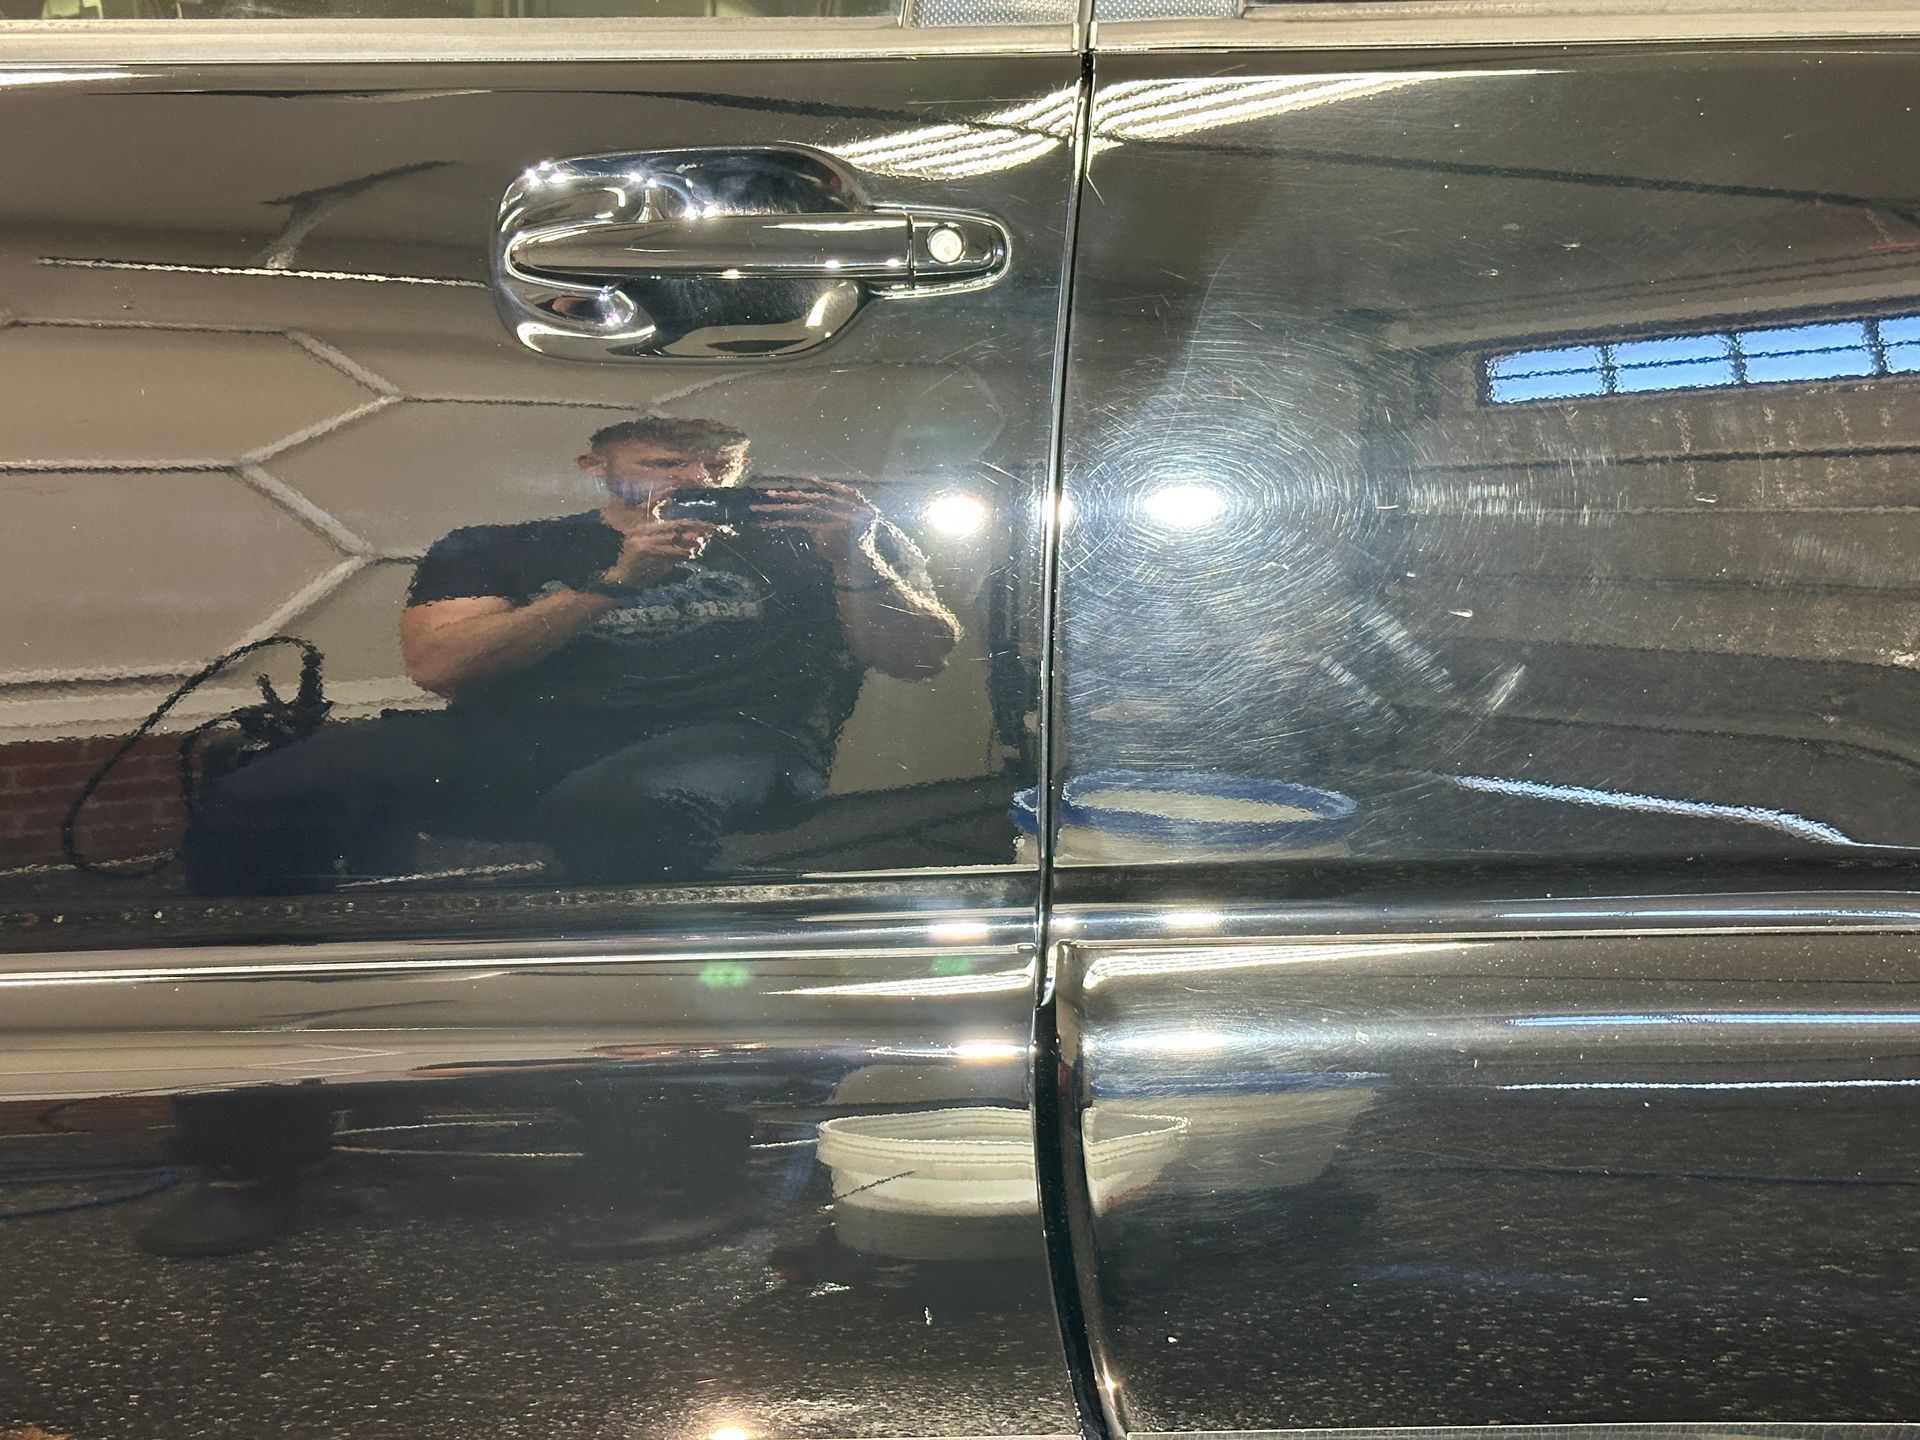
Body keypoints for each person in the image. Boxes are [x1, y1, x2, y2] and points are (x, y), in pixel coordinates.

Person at [182, 414, 960, 893]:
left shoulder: (818, 542)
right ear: (599, 467)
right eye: (664, 463)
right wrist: (617, 583)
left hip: (737, 737)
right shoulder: (500, 548)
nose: (693, 479)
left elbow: (923, 656)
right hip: (522, 738)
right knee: (260, 789)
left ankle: (661, 1043)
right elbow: (443, 668)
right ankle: (285, 1005)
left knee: (624, 806)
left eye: (717, 467)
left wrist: (857, 559)